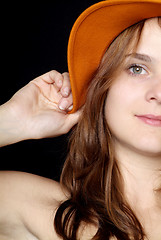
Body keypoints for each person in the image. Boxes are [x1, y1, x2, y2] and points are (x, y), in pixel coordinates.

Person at [0, 0, 161, 239]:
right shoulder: (31, 206)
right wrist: (11, 122)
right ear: (102, 85)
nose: (158, 93)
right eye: (137, 69)